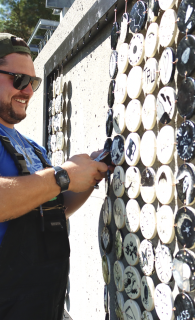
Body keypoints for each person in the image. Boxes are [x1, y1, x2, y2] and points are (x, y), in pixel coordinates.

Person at [0, 33, 111, 320]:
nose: (28, 91)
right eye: (18, 79)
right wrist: (63, 175)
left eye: (33, 83)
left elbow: (52, 208)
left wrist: (90, 173)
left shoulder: (33, 148)